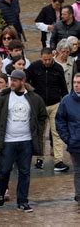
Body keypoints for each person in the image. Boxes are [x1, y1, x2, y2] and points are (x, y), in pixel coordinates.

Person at [0, 70, 47, 212]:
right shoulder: (3, 97)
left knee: (25, 172)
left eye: (15, 80)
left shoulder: (34, 98)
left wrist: (37, 130)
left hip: (26, 141)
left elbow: (42, 116)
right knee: (4, 170)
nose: (12, 83)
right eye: (11, 80)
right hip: (8, 140)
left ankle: (23, 201)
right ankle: (1, 193)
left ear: (23, 81)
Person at [26, 48, 69, 172]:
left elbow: (64, 88)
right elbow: (25, 80)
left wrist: (64, 103)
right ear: (41, 57)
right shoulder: (34, 67)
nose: (47, 62)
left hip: (55, 104)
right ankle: (40, 159)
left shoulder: (58, 68)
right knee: (40, 132)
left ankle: (58, 160)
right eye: (44, 59)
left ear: (53, 56)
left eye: (49, 59)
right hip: (39, 105)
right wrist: (31, 92)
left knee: (57, 133)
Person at [56, 73, 80, 206]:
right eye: (75, 82)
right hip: (75, 143)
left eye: (79, 82)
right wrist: (67, 138)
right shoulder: (66, 101)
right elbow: (59, 121)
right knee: (78, 171)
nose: (76, 85)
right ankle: (79, 195)